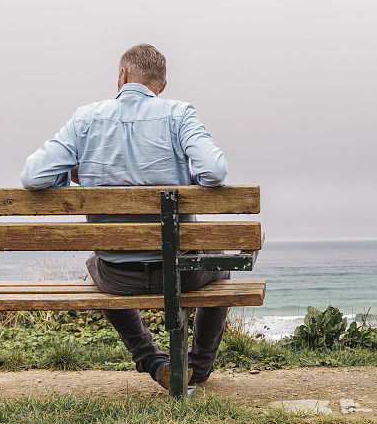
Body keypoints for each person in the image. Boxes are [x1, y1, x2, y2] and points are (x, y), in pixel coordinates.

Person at [20, 44, 229, 389]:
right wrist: (185, 184)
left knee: (95, 268)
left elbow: (32, 177)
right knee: (221, 269)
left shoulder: (86, 119)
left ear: (122, 76)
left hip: (117, 277)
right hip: (179, 276)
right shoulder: (178, 114)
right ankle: (198, 366)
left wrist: (71, 175)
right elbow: (215, 172)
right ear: (161, 86)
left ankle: (152, 358)